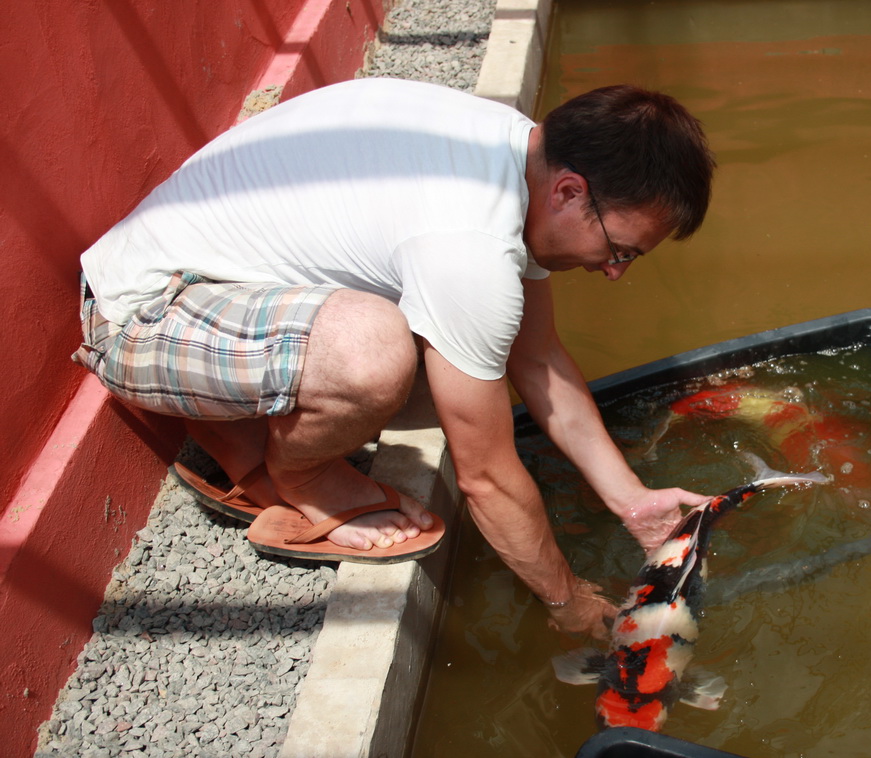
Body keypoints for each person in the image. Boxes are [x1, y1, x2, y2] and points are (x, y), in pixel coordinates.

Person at [72, 78, 717, 639]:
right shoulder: (469, 243)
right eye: (621, 250)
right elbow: (486, 476)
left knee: (468, 365)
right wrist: (567, 601)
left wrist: (631, 499)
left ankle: (238, 423)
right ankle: (299, 477)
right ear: (570, 192)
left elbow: (538, 353)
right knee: (378, 355)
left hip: (216, 287)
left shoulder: (514, 152)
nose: (614, 272)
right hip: (141, 317)